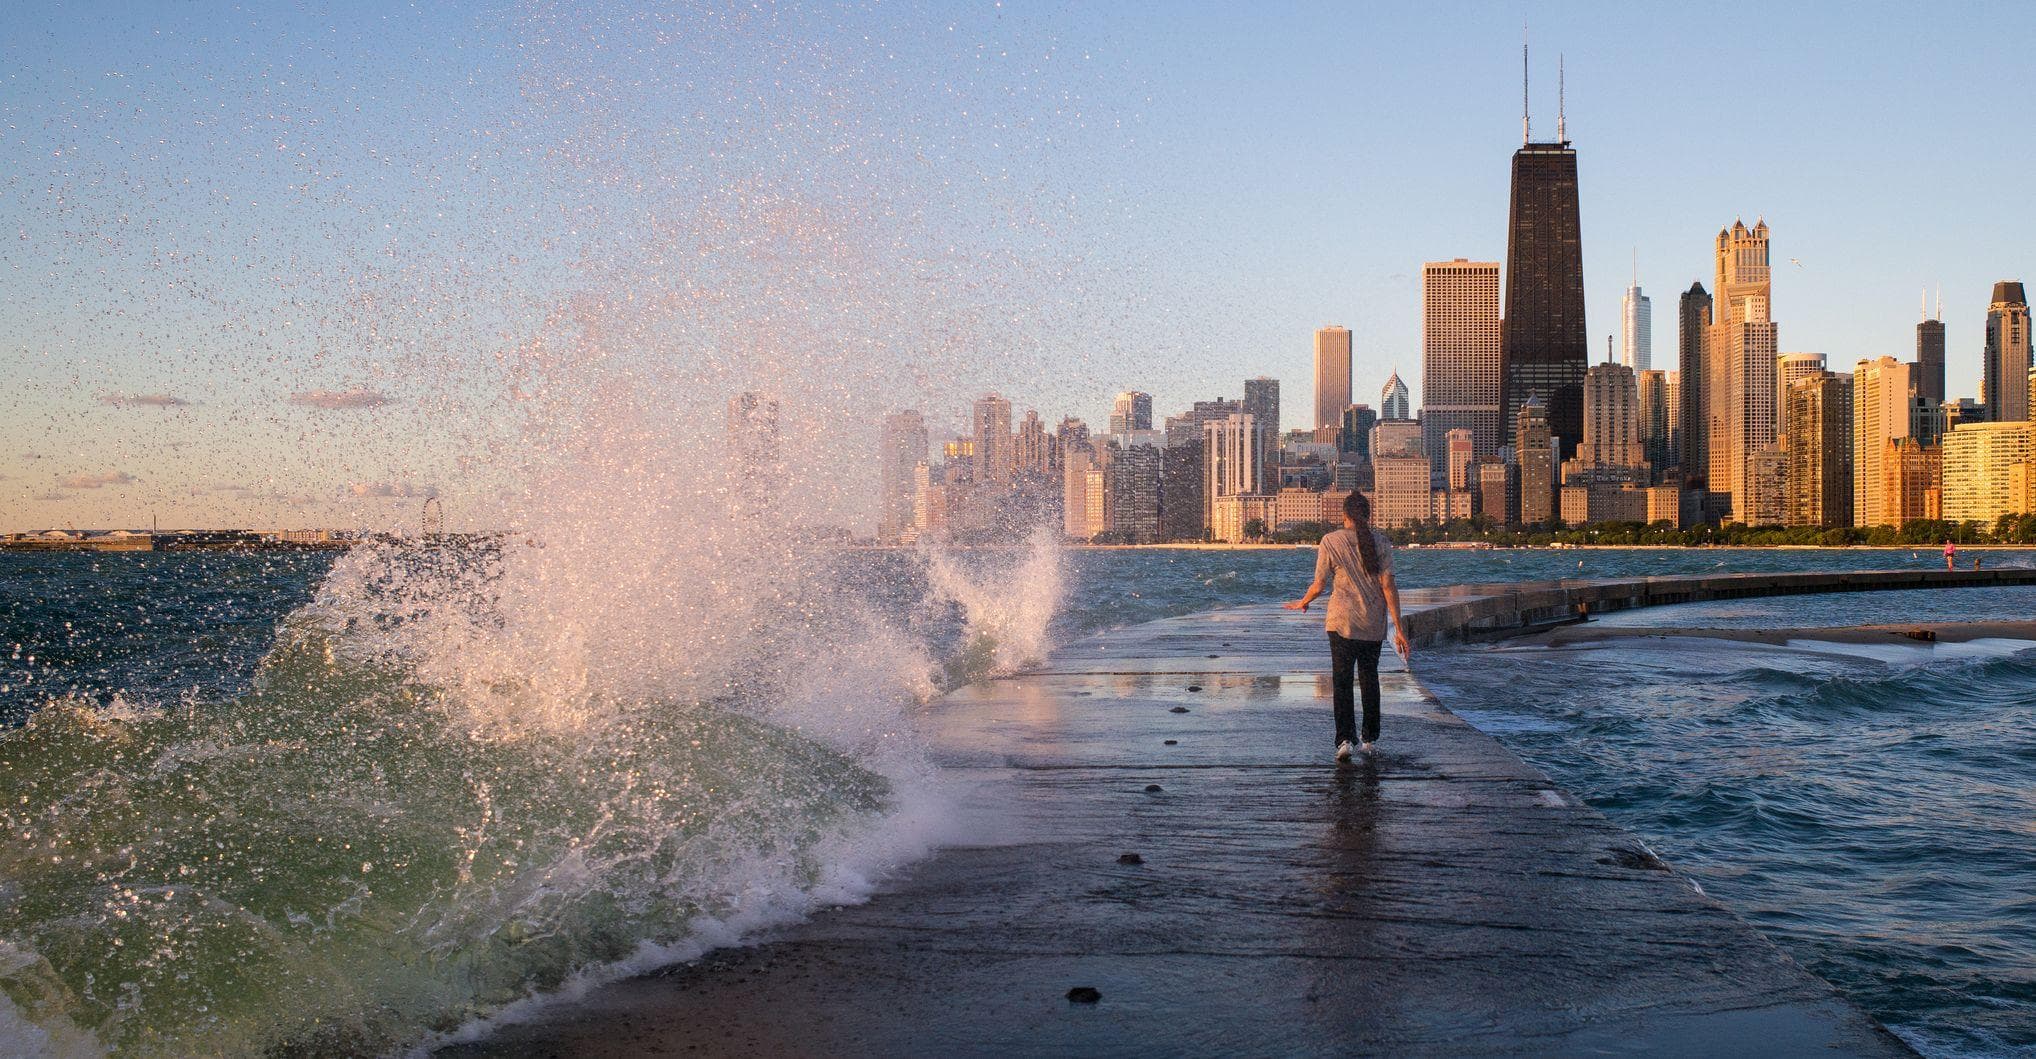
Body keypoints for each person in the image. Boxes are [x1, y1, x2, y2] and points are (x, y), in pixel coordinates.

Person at [1284, 492, 1411, 762]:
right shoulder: (1383, 543)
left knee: (1341, 683)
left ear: (1344, 515)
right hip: (1373, 624)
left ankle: (1343, 741)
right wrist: (1399, 629)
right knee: (1369, 679)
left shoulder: (1331, 541)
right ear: (1368, 515)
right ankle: (1369, 739)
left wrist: (1302, 602)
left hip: (1341, 623)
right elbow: (1389, 588)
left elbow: (1319, 585)